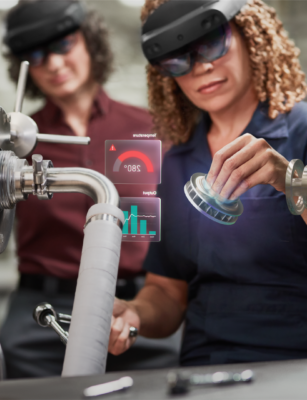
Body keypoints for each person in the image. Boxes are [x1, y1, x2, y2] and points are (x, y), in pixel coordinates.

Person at [0, 0, 178, 378]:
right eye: (34, 55)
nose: (52, 63)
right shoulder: (6, 145)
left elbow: (181, 241)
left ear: (91, 42)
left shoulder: (150, 129)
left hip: (137, 311)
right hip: (43, 317)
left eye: (62, 45)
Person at [109, 0, 307, 366]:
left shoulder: (301, 129)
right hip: (206, 365)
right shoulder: (176, 163)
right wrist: (135, 314)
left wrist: (291, 181)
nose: (201, 67)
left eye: (211, 42)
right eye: (177, 58)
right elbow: (168, 292)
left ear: (250, 36)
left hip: (295, 361)